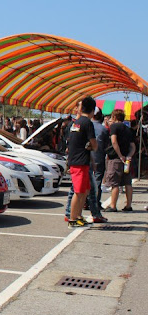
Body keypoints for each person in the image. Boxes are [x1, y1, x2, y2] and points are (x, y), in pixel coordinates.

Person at [65, 97, 98, 227]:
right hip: (80, 162)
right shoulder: (87, 123)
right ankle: (73, 219)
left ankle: (78, 216)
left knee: (85, 190)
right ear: (93, 110)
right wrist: (94, 147)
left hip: (77, 160)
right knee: (78, 192)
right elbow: (93, 143)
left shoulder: (76, 122)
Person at [103, 109, 135, 212]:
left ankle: (113, 206)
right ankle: (128, 205)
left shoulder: (114, 127)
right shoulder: (128, 129)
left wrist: (120, 155)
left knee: (114, 183)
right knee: (127, 182)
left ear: (114, 117)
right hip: (127, 160)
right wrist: (128, 156)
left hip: (116, 159)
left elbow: (114, 142)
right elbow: (133, 146)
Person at [92, 108, 108, 210]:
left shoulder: (86, 126)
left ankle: (86, 202)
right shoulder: (103, 129)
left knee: (86, 180)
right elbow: (106, 145)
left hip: (86, 158)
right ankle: (96, 202)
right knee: (97, 180)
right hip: (99, 157)